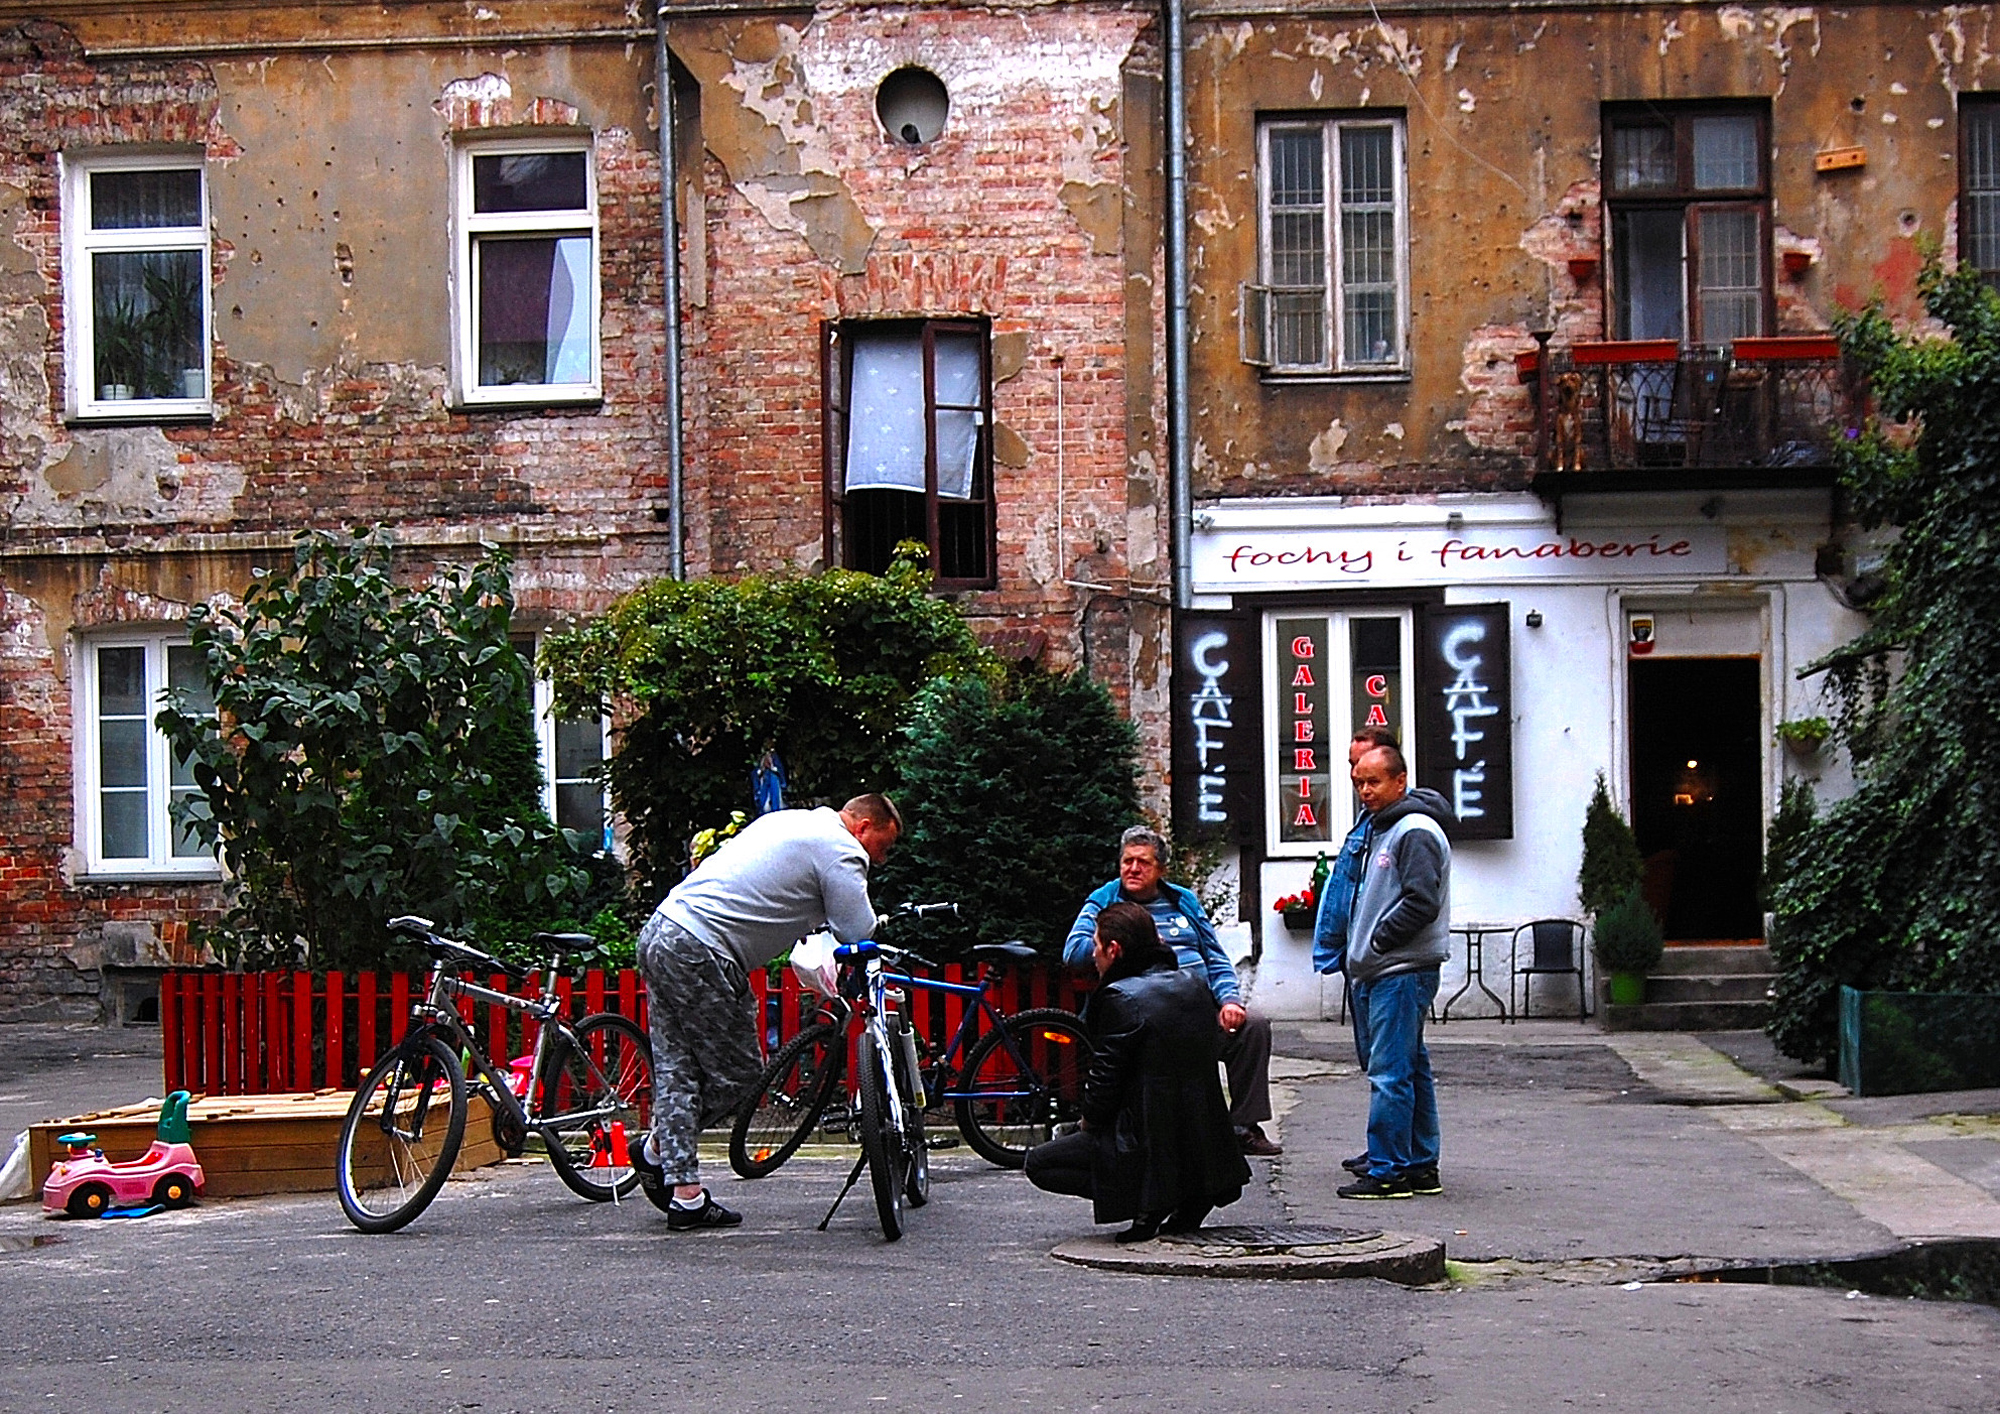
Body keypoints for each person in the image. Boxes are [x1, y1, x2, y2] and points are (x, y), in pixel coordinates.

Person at [628, 793, 902, 1228]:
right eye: (882, 848)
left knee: (678, 1068)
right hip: (705, 950)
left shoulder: (790, 821)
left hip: (662, 930)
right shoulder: (842, 849)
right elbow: (857, 930)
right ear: (864, 827)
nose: (880, 860)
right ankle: (660, 1149)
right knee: (738, 1075)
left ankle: (685, 1195)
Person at [1025, 902, 1251, 1242]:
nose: (1094, 957)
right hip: (1202, 1139)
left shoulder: (1119, 997)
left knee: (1040, 1164)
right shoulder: (1192, 983)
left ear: (1114, 950)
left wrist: (1087, 1124)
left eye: (1097, 947)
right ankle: (1189, 1198)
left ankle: (1148, 1200)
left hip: (1141, 1138)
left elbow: (1105, 1082)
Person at [1064, 826, 1282, 1156]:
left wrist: (1229, 1000)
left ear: (1161, 869)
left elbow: (1215, 957)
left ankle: (1243, 1128)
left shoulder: (1183, 901)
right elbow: (1074, 951)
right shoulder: (1105, 901)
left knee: (1251, 1026)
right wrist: (1129, 944)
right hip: (1142, 1020)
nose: (1133, 869)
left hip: (1196, 1011)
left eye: (1143, 862)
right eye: (1127, 861)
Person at [1338, 743, 1454, 1201]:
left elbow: (1421, 901)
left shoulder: (1414, 830)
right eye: (1359, 782)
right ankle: (1421, 1164)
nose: (1364, 791)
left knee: (1388, 1073)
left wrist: (1380, 940)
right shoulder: (1382, 828)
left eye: (1374, 782)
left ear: (1400, 781)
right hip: (1385, 969)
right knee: (1411, 1069)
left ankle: (1387, 1171)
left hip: (1400, 970)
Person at [1313, 726, 1405, 1072]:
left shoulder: (1402, 825)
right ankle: (1416, 1130)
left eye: (1363, 766)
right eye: (1352, 767)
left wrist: (1375, 941)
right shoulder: (1367, 819)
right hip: (1358, 956)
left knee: (1388, 1068)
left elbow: (1414, 900)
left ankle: (1393, 1129)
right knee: (1380, 1063)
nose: (1356, 777)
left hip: (1381, 960)